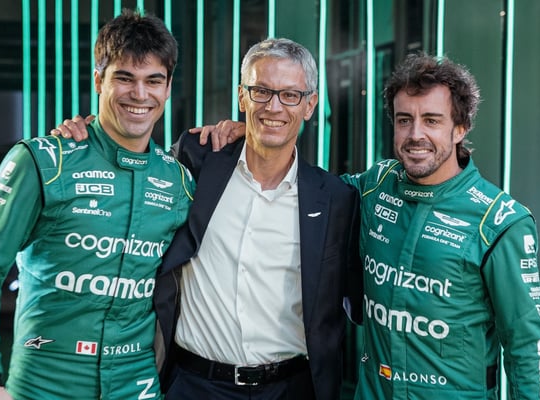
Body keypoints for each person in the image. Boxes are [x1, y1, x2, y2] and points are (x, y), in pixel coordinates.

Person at [186, 52, 540, 399]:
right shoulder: (375, 187)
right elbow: (308, 191)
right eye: (404, 120)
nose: (416, 134)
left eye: (432, 120)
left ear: (460, 128)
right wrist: (256, 134)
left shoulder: (499, 222)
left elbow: (527, 347)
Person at [53, 38, 363, 400]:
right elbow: (132, 174)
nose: (274, 106)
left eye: (290, 95)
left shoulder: (336, 200)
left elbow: (356, 300)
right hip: (194, 384)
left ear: (310, 105)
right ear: (242, 97)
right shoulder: (197, 161)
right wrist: (91, 138)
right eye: (261, 91)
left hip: (291, 389)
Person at [0, 9, 195, 400]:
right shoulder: (43, 162)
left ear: (168, 88)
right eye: (125, 78)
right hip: (43, 383)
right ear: (99, 80)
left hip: (137, 385)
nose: (140, 94)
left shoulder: (180, 182)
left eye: (154, 80)